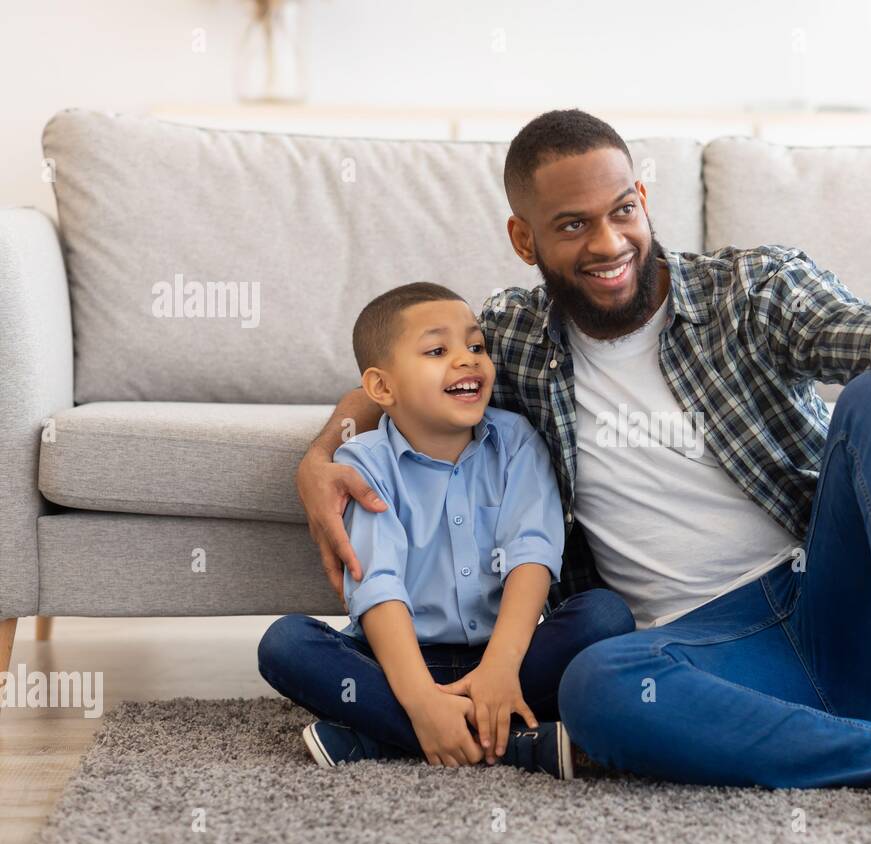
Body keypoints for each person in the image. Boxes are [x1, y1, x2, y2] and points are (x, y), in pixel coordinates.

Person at [295, 111, 871, 844]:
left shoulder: (749, 288)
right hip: (705, 658)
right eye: (573, 225)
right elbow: (393, 380)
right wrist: (322, 455)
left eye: (623, 210)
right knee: (598, 685)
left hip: (828, 600)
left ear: (644, 198)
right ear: (526, 240)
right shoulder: (511, 336)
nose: (609, 243)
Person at [259, 281, 634, 780]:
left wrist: (500, 667)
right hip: (400, 665)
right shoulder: (365, 463)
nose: (467, 360)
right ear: (382, 388)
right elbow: (379, 584)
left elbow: (532, 554)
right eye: (438, 350)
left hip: (509, 656)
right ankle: (513, 743)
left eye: (476, 347)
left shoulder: (517, 442)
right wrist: (419, 698)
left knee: (605, 616)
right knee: (285, 644)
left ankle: (384, 736)